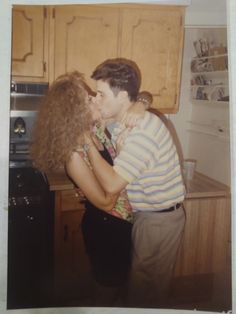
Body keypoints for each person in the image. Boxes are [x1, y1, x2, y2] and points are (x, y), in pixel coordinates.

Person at [30, 70, 150, 306]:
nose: (95, 99)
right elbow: (105, 203)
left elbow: (138, 95)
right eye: (88, 99)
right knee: (105, 294)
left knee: (120, 289)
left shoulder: (95, 129)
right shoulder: (74, 155)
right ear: (75, 111)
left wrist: (141, 104)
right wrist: (123, 178)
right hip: (106, 230)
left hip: (122, 223)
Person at [84, 58, 186, 307]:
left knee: (146, 291)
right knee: (145, 286)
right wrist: (142, 101)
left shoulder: (141, 129)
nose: (95, 99)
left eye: (100, 94)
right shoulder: (121, 121)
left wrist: (85, 141)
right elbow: (140, 96)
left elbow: (112, 185)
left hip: (158, 220)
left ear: (122, 97)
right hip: (149, 216)